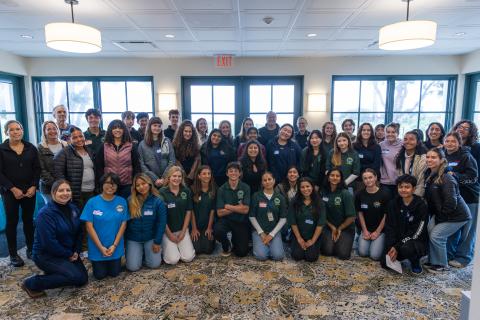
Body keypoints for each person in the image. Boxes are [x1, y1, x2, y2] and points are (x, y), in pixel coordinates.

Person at [20, 180, 88, 298]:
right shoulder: (45, 214)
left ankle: (55, 271)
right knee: (75, 276)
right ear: (53, 193)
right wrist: (68, 254)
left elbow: (79, 232)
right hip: (46, 255)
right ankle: (31, 283)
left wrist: (76, 251)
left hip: (68, 252)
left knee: (82, 279)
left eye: (68, 190)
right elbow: (48, 243)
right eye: (61, 190)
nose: (65, 193)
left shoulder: (73, 208)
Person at [0, 120, 41, 267]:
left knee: (29, 220)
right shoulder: (2, 149)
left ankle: (31, 249)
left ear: (22, 130)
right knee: (12, 222)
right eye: (12, 130)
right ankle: (13, 254)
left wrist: (34, 186)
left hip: (29, 190)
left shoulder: (31, 148)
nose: (16, 132)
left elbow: (37, 169)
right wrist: (12, 188)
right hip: (9, 192)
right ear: (6, 132)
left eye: (18, 129)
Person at [424, 148, 471, 273]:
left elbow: (451, 202)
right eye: (428, 157)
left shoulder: (447, 177)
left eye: (433, 157)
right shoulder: (430, 175)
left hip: (457, 215)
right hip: (441, 213)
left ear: (441, 160)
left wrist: (441, 218)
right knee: (430, 230)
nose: (429, 160)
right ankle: (433, 261)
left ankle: (441, 265)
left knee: (437, 235)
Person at [81, 173, 129, 280]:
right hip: (97, 247)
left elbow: (123, 224)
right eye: (107, 183)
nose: (110, 186)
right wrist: (101, 247)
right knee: (99, 275)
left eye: (114, 184)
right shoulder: (92, 202)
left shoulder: (122, 201)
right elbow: (89, 227)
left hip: (114, 246)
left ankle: (113, 257)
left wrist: (114, 246)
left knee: (114, 273)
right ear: (102, 184)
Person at [444, 132, 479, 268]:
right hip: (454, 197)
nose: (450, 144)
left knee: (468, 230)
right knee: (453, 227)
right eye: (447, 141)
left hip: (469, 197)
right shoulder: (443, 155)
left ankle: (464, 257)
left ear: (459, 143)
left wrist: (455, 175)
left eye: (453, 141)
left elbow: (473, 177)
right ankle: (449, 254)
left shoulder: (466, 156)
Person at [381, 174, 428, 274]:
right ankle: (398, 257)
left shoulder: (421, 205)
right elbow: (389, 226)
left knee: (407, 249)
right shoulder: (393, 203)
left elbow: (418, 232)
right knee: (384, 263)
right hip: (397, 240)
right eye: (400, 187)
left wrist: (397, 246)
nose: (403, 190)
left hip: (415, 240)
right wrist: (391, 246)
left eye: (407, 187)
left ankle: (415, 262)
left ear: (413, 189)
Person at [125, 173, 166, 271]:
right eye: (138, 185)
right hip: (134, 238)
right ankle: (138, 253)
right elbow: (125, 223)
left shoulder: (158, 201)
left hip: (150, 237)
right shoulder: (130, 200)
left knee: (154, 264)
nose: (141, 187)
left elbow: (161, 223)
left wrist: (157, 242)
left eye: (143, 183)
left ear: (149, 184)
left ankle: (145, 253)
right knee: (132, 267)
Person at [159, 166, 195, 265]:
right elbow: (161, 216)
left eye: (179, 176)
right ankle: (168, 247)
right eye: (174, 176)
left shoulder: (186, 191)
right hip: (167, 231)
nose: (177, 178)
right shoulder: (162, 192)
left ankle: (179, 246)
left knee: (188, 258)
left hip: (182, 229)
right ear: (169, 177)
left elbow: (189, 211)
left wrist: (183, 232)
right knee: (173, 260)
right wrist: (170, 235)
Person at [96, 119, 141, 199]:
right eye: (114, 128)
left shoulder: (131, 146)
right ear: (110, 130)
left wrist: (135, 183)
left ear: (124, 130)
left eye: (120, 128)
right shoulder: (104, 146)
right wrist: (102, 183)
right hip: (109, 184)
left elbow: (137, 166)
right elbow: (98, 167)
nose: (117, 130)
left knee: (126, 207)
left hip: (127, 185)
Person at [54, 126, 96, 209]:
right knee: (77, 218)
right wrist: (67, 191)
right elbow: (59, 174)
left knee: (90, 217)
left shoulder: (89, 151)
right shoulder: (64, 153)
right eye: (75, 137)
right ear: (69, 139)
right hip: (76, 194)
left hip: (92, 191)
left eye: (81, 136)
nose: (79, 139)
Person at [215, 162, 251, 257]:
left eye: (236, 171)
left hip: (240, 221)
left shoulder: (246, 187)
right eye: (231, 171)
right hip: (226, 220)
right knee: (218, 230)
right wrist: (238, 207)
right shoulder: (222, 189)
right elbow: (219, 213)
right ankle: (227, 244)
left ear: (240, 173)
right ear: (227, 173)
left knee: (241, 253)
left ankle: (234, 238)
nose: (233, 173)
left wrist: (228, 206)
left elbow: (246, 210)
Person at [249, 172, 287, 261]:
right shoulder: (256, 196)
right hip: (259, 231)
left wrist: (271, 235)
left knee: (278, 256)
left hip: (274, 231)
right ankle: (264, 246)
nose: (267, 182)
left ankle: (274, 245)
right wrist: (261, 232)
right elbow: (251, 216)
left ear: (274, 181)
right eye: (264, 180)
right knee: (261, 256)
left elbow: (283, 218)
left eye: (269, 179)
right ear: (262, 183)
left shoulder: (280, 198)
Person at [320, 168, 356, 260]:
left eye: (337, 176)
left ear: (341, 178)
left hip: (345, 228)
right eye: (332, 175)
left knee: (343, 254)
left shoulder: (345, 193)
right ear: (328, 178)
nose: (334, 178)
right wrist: (332, 227)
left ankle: (340, 242)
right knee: (327, 251)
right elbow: (321, 213)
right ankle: (334, 243)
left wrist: (339, 228)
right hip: (328, 227)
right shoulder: (323, 192)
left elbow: (351, 217)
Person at [356, 169, 390, 261]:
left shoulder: (385, 194)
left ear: (375, 178)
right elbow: (360, 213)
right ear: (363, 180)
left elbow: (386, 215)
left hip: (380, 230)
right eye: (365, 178)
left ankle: (380, 241)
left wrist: (377, 232)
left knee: (374, 256)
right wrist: (365, 230)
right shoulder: (359, 194)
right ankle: (359, 237)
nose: (368, 180)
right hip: (366, 229)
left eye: (370, 177)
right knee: (363, 253)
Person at [289, 177, 326, 262]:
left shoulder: (320, 203)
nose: (305, 189)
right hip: (298, 235)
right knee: (297, 256)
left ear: (312, 187)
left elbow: (320, 224)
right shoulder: (294, 202)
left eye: (308, 186)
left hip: (313, 236)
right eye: (302, 187)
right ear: (299, 189)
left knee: (311, 257)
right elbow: (292, 222)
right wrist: (299, 238)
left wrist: (312, 240)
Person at [138, 117, 176, 189]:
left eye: (159, 126)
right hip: (150, 181)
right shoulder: (142, 144)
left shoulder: (166, 141)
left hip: (167, 180)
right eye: (155, 125)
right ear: (149, 127)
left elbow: (172, 160)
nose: (157, 128)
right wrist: (155, 179)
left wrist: (164, 177)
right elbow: (142, 164)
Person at [38, 121, 67, 202]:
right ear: (44, 132)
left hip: (66, 186)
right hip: (48, 189)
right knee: (52, 211)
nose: (52, 131)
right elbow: (41, 171)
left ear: (58, 130)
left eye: (54, 128)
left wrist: (64, 184)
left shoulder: (65, 145)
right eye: (49, 129)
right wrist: (56, 185)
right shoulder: (40, 148)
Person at [190, 166, 216, 255]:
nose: (207, 176)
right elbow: (191, 210)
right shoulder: (192, 189)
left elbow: (213, 210)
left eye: (209, 173)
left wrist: (209, 228)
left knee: (207, 249)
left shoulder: (214, 189)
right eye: (204, 174)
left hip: (207, 225)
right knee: (197, 250)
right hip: (195, 225)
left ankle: (211, 238)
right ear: (199, 176)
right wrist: (194, 229)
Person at [395, 131, 427, 197]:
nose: (408, 141)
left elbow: (421, 182)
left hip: (417, 195)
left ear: (417, 142)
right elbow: (400, 178)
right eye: (405, 139)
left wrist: (413, 199)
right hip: (404, 193)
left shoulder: (423, 158)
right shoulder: (400, 157)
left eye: (411, 139)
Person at [172, 120, 201, 185]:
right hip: (179, 175)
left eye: (190, 131)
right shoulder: (175, 144)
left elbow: (197, 159)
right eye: (186, 131)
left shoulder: (196, 144)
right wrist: (182, 173)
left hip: (193, 175)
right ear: (181, 132)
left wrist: (191, 174)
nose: (188, 134)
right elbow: (175, 160)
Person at [379, 123, 403, 195]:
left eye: (393, 132)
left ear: (398, 133)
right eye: (388, 132)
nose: (390, 134)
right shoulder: (381, 145)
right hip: (385, 181)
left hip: (399, 180)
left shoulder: (403, 144)